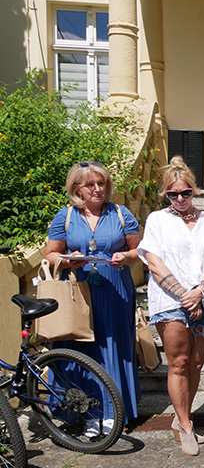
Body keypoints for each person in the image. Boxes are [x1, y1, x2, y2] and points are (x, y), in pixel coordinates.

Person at [137, 156, 204, 456]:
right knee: (178, 363)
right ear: (166, 194)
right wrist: (184, 295)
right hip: (171, 301)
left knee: (196, 363)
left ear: (194, 190)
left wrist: (201, 291)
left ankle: (182, 419)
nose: (180, 198)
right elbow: (153, 262)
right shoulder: (157, 220)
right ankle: (185, 425)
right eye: (173, 193)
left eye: (185, 192)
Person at [45, 161, 142, 437]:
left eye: (102, 184)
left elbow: (139, 251)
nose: (98, 189)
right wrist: (68, 260)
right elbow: (51, 254)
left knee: (113, 348)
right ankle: (84, 411)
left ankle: (112, 413)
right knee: (80, 349)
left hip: (114, 291)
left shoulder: (121, 213)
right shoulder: (64, 217)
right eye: (91, 185)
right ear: (77, 188)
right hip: (78, 292)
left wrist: (126, 257)